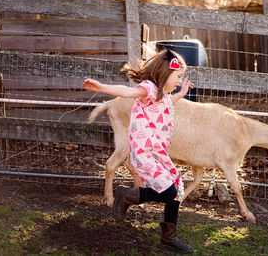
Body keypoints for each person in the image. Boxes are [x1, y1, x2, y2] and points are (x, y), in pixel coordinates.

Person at [83, 49, 194, 253]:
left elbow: (166, 103)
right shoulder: (148, 89)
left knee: (176, 187)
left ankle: (169, 237)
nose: (179, 81)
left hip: (158, 152)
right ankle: (127, 195)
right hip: (144, 154)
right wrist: (101, 87)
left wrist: (182, 93)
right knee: (168, 191)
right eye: (178, 77)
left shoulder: (161, 93)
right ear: (165, 72)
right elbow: (127, 92)